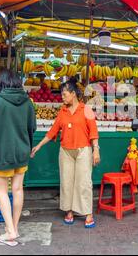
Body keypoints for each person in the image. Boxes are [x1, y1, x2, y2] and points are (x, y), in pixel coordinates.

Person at [31, 78, 100, 228]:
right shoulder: (62, 111)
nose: (62, 97)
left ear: (73, 94)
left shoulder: (86, 110)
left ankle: (88, 213)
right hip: (66, 152)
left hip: (84, 150)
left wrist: (96, 150)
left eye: (64, 94)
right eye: (62, 94)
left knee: (84, 183)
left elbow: (93, 132)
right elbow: (52, 131)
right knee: (67, 182)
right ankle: (69, 211)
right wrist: (39, 146)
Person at [0, 69, 36, 247]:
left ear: (2, 83)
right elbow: (32, 127)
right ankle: (14, 228)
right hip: (22, 152)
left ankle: (10, 231)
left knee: (2, 191)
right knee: (18, 189)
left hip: (2, 152)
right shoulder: (28, 102)